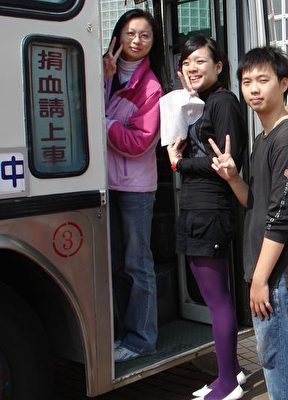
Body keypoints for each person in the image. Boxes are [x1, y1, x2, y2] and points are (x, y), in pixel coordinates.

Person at [208, 46, 288, 400]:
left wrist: (260, 279)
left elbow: (282, 217)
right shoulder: (265, 138)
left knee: (284, 370)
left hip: (283, 279)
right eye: (246, 81)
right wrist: (233, 178)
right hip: (279, 277)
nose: (253, 89)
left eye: (263, 80)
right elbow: (257, 203)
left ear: (284, 83)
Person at [165, 35, 248, 400]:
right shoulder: (201, 103)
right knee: (213, 294)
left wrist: (179, 163)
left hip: (210, 209)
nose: (192, 68)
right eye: (186, 63)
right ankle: (231, 371)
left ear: (218, 66)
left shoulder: (223, 101)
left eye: (200, 61)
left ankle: (228, 383)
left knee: (217, 299)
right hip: (199, 208)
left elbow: (226, 161)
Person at [103, 9, 164, 363]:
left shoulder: (151, 86)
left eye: (144, 35)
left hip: (136, 187)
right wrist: (104, 79)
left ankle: (142, 339)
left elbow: (139, 141)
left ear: (153, 42)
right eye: (130, 33)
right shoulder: (104, 72)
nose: (136, 41)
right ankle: (126, 334)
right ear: (118, 36)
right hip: (105, 182)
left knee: (137, 263)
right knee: (115, 263)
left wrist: (106, 124)